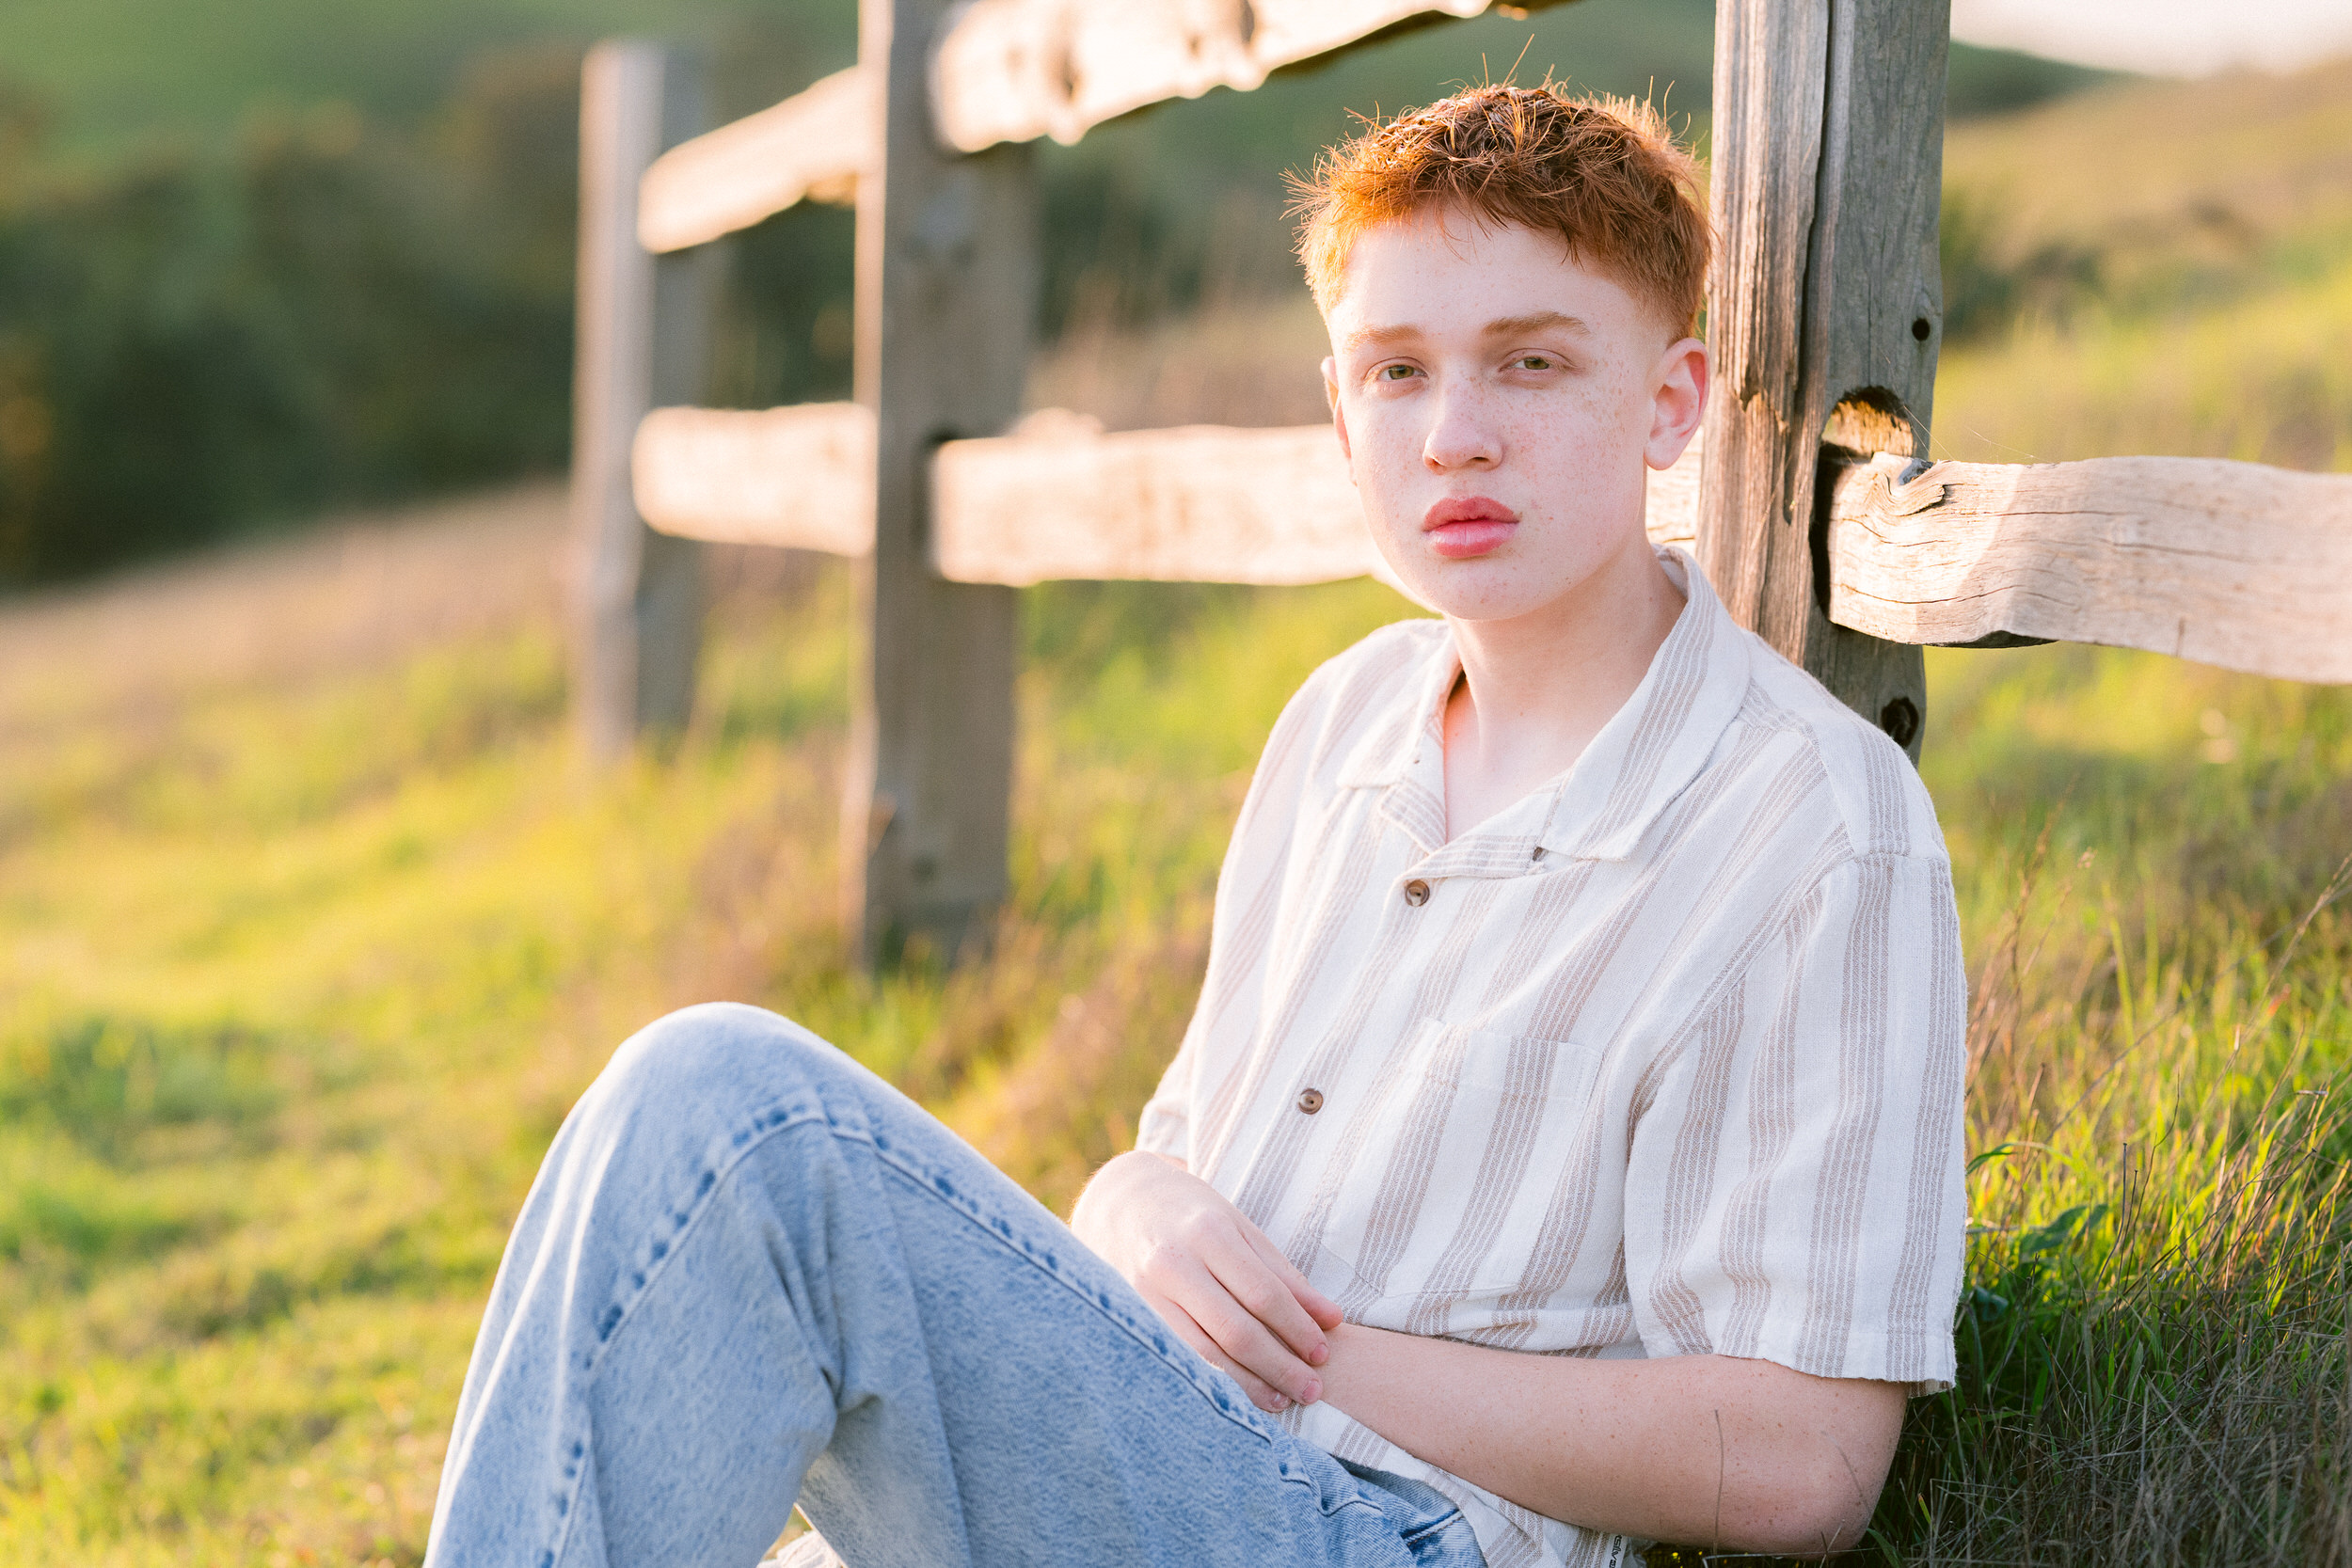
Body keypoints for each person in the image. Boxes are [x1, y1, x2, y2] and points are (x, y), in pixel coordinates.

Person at [422, 84, 1964, 1568]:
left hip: (1393, 1536)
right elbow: (1185, 1163)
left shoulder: (1812, 826)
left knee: (736, 1113)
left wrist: (1330, 1363)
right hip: (1168, 1455)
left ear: (1671, 402)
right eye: (1397, 370)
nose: (1454, 437)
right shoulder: (1341, 726)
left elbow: (1804, 1460)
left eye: (1532, 364)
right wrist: (1128, 1198)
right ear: (1339, 407)